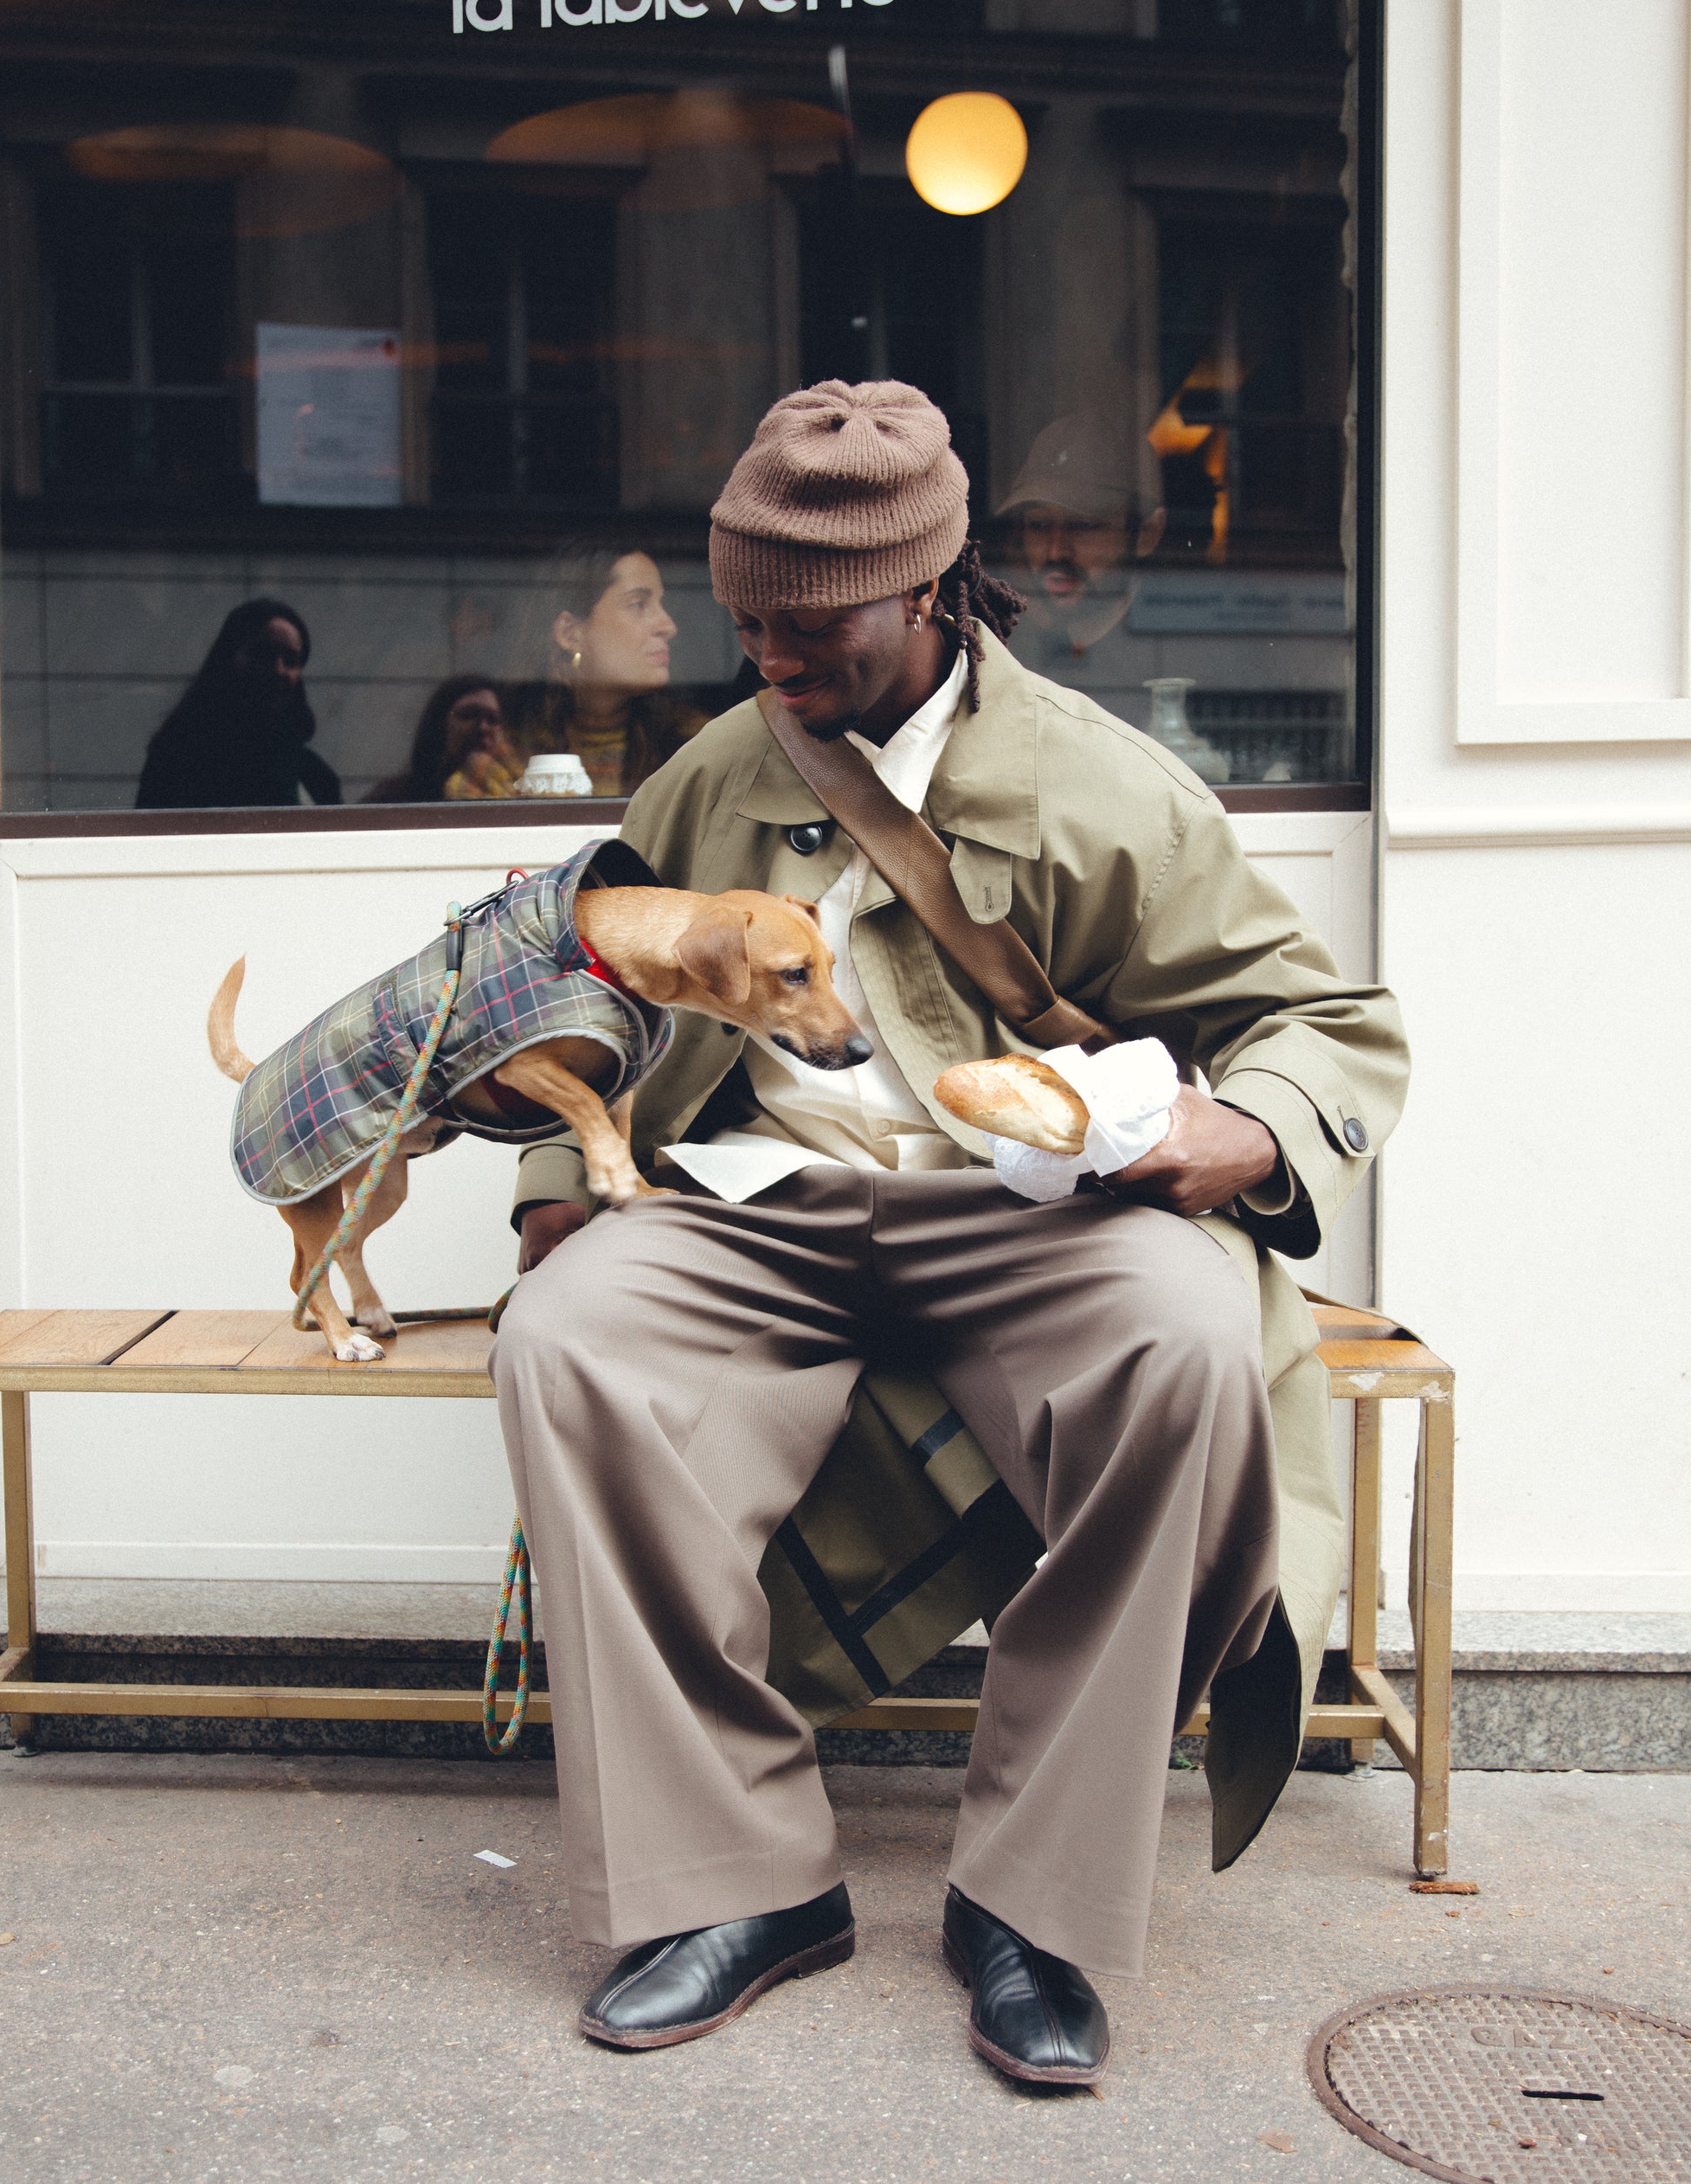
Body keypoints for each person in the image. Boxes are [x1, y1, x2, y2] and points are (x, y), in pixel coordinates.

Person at [490, 380, 1407, 2085]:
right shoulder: (712, 768)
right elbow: (596, 984)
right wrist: (558, 1187)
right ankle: (737, 1883)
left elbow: (1321, 1016)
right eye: (744, 612)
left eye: (811, 617)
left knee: (1190, 1347)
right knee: (568, 1340)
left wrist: (1253, 1121)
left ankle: (1034, 1907)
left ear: (927, 588)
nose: (767, 650)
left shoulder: (1101, 787)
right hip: (763, 1200)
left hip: (1019, 1215)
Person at [445, 548, 704, 800]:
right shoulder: (501, 762)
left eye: (661, 604)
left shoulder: (696, 745)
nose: (668, 626)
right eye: (638, 604)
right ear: (569, 633)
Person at [997, 408, 1166, 671]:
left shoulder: (1179, 645)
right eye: (1039, 525)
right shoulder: (994, 642)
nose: (1056, 551)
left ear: (1148, 534)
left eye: (1084, 525)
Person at [136, 599, 341, 809]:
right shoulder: (181, 758)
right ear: (228, 659)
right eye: (263, 655)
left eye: (290, 660)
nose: (278, 670)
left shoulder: (313, 774)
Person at [366, 675, 506, 803]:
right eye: (469, 715)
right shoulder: (397, 798)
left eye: (492, 719)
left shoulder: (513, 794)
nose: (483, 727)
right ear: (439, 725)